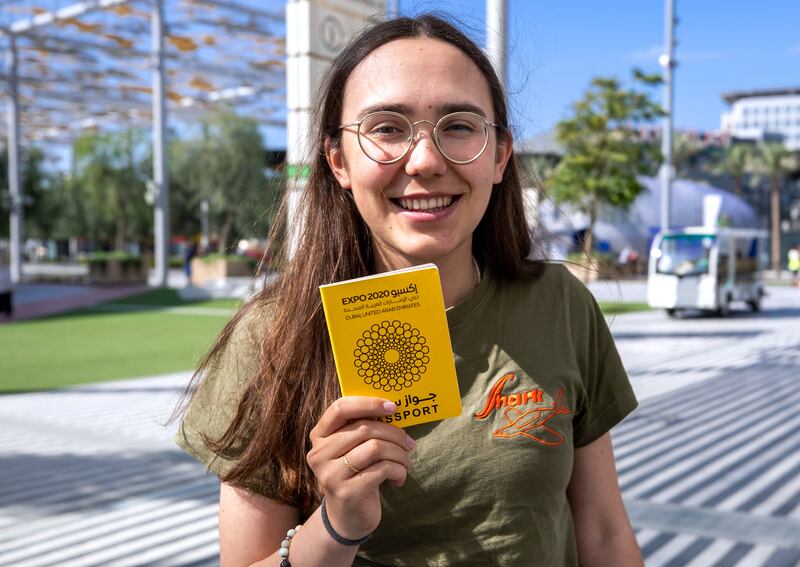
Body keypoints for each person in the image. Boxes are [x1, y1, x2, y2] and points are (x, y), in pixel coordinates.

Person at [176, 14, 642, 566]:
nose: (425, 161)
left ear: (499, 156)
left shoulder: (561, 304)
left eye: (459, 125)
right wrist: (336, 524)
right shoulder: (270, 339)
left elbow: (605, 532)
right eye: (387, 128)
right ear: (338, 161)